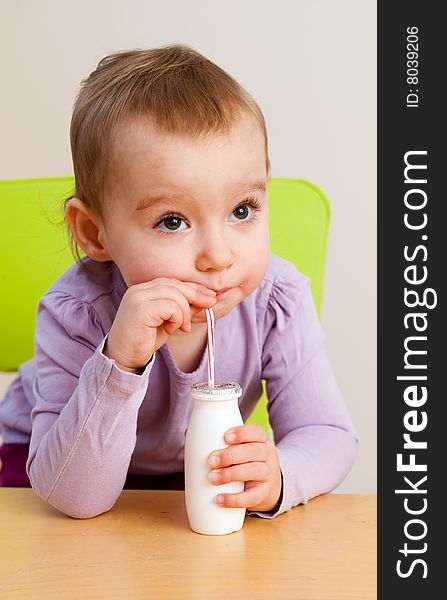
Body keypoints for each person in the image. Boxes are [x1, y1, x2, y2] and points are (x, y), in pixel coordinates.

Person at [0, 44, 358, 519]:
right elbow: (74, 497)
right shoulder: (75, 313)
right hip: (51, 463)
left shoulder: (278, 300)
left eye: (242, 210)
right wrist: (120, 362)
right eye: (172, 221)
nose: (218, 255)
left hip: (180, 468)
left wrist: (281, 475)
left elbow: (327, 435)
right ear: (93, 232)